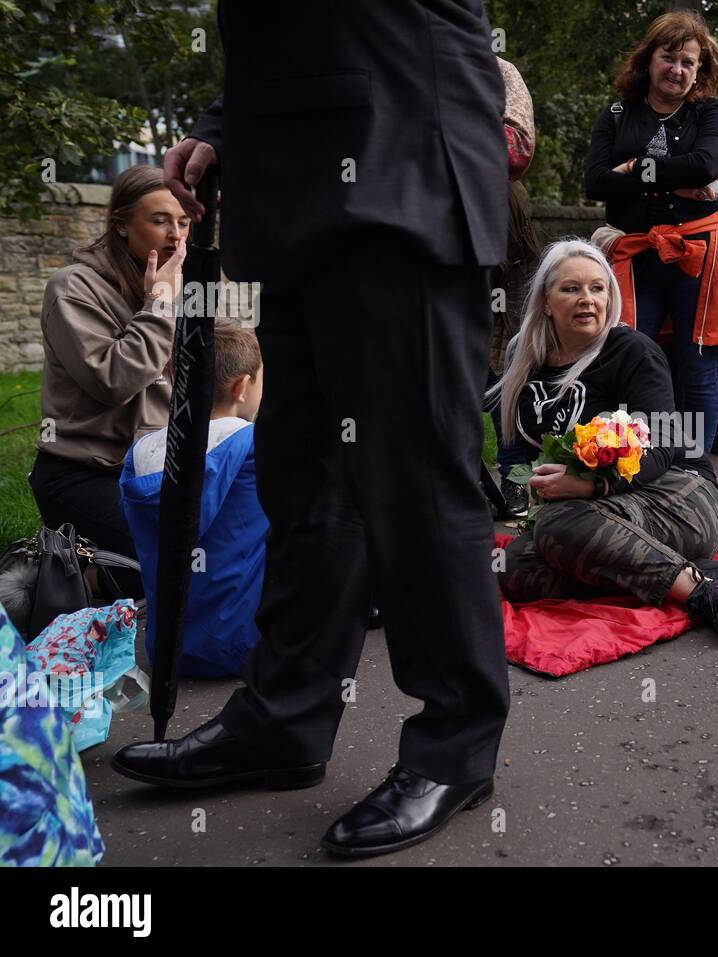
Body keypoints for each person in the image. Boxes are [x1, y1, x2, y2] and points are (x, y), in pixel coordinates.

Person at [112, 1, 513, 861]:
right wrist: (225, 125)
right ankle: (285, 719)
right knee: (302, 475)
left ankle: (456, 744)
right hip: (288, 181)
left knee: (414, 479)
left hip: (397, 154)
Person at [491, 240, 718, 642]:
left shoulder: (632, 350)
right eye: (571, 289)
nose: (587, 299)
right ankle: (698, 571)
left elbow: (670, 442)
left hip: (679, 494)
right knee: (510, 567)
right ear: (546, 302)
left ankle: (708, 595)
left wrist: (595, 484)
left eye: (597, 288)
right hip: (594, 509)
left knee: (560, 525)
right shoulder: (524, 356)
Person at [584, 10, 718, 458]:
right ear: (649, 59)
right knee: (628, 354)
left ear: (700, 70)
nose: (677, 69)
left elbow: (706, 164)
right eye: (669, 57)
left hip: (696, 255)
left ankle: (693, 465)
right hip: (636, 255)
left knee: (695, 360)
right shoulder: (618, 113)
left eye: (688, 62)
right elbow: (594, 181)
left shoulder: (711, 113)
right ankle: (626, 458)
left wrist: (635, 170)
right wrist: (668, 179)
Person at [30, 165, 187, 600]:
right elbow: (114, 379)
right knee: (174, 569)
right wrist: (159, 305)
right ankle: (69, 571)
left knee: (232, 545)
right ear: (121, 224)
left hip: (159, 469)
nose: (175, 234)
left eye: (184, 222)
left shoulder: (179, 285)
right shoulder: (71, 289)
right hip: (86, 474)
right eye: (159, 220)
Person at [120, 321, 266, 678]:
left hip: (169, 652)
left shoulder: (140, 453)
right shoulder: (255, 445)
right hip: (248, 646)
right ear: (242, 387)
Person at [489, 58, 541, 519]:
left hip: (498, 211)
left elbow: (516, 147)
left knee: (507, 363)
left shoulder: (497, 69)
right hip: (432, 216)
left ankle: (515, 480)